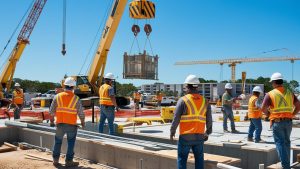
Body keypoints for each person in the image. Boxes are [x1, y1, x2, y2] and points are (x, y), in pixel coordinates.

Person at [170, 74, 212, 169]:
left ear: (187, 86)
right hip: (199, 136)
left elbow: (176, 118)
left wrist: (172, 132)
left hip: (185, 137)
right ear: (197, 87)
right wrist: (208, 132)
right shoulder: (205, 101)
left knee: (182, 159)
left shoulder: (183, 100)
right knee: (199, 160)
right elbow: (209, 119)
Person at [261, 72, 300, 169]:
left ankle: (286, 166)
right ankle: (286, 163)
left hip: (277, 122)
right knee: (286, 142)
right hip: (289, 122)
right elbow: (298, 105)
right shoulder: (290, 92)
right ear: (281, 81)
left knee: (280, 143)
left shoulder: (270, 94)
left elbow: (263, 108)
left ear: (274, 82)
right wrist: (292, 114)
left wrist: (269, 115)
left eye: (272, 83)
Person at [49, 77, 85, 167]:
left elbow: (51, 111)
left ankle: (55, 160)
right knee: (71, 142)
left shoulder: (57, 96)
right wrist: (83, 122)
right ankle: (69, 161)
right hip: (71, 125)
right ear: (73, 87)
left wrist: (52, 121)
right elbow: (81, 113)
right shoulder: (76, 98)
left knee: (57, 141)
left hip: (60, 124)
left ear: (64, 85)